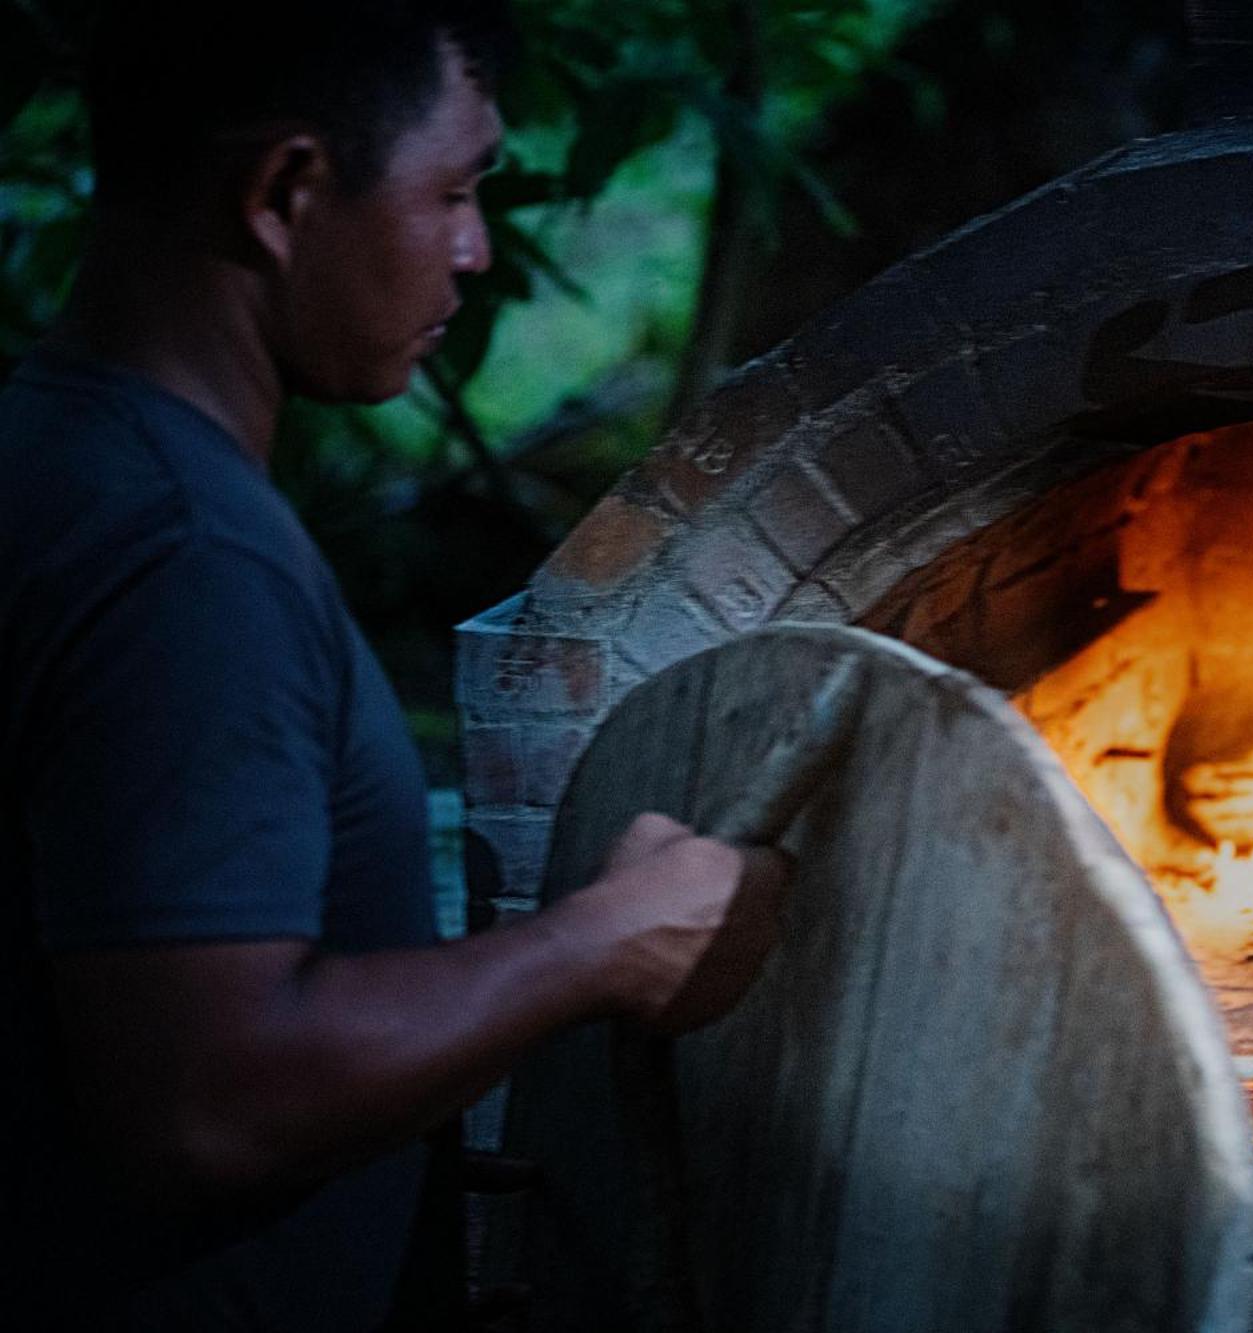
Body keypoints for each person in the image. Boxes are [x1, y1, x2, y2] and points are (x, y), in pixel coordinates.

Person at [0, 2, 788, 1327]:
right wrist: (604, 944)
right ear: (287, 190)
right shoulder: (188, 559)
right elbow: (210, 1100)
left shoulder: (54, 447)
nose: (477, 250)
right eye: (455, 191)